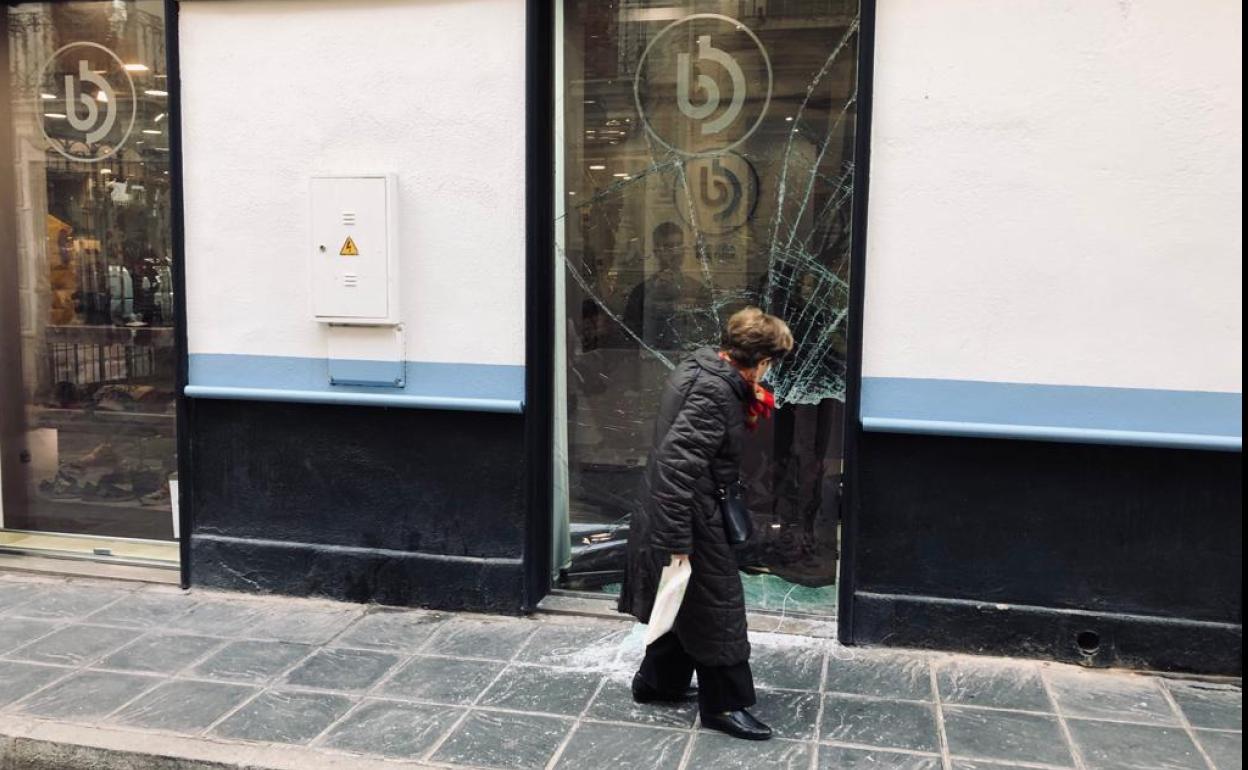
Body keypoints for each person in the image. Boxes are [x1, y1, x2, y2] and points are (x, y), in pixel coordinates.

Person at [618, 307, 795, 740]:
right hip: (692, 514)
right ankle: (724, 705)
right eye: (770, 363)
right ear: (761, 360)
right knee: (719, 607)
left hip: (685, 507)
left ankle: (657, 682)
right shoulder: (714, 393)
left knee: (688, 602)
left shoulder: (703, 369)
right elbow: (677, 467)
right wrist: (678, 541)